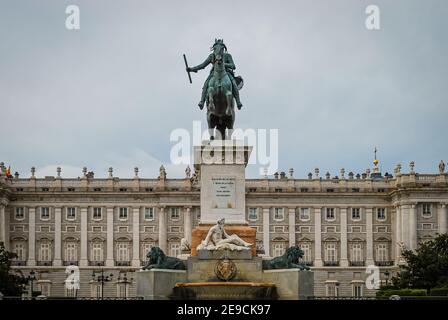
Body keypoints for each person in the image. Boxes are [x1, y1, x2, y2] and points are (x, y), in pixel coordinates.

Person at [187, 39, 243, 109]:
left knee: (233, 84)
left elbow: (233, 66)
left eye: (221, 49)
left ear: (223, 49)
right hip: (214, 73)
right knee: (206, 84)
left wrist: (224, 64)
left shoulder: (228, 56)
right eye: (216, 49)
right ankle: (202, 101)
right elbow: (203, 65)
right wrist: (192, 69)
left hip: (227, 73)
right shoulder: (211, 56)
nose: (218, 51)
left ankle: (238, 102)